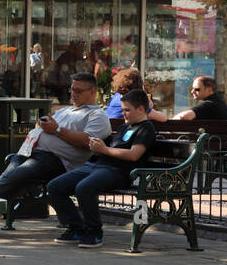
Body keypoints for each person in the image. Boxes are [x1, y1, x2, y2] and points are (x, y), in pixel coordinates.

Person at [0, 72, 110, 237]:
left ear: (93, 91)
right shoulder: (66, 110)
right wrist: (41, 128)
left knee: (12, 179)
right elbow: (49, 127)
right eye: (72, 89)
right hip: (30, 152)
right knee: (7, 181)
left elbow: (88, 142)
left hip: (58, 161)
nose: (73, 94)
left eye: (78, 91)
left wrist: (56, 129)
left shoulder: (97, 115)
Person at [45, 88, 158, 249]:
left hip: (118, 172)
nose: (123, 114)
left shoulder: (146, 128)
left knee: (84, 188)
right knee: (54, 187)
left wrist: (104, 150)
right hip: (98, 166)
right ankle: (76, 227)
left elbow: (134, 155)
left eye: (127, 110)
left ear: (141, 109)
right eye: (123, 110)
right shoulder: (125, 127)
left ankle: (94, 232)